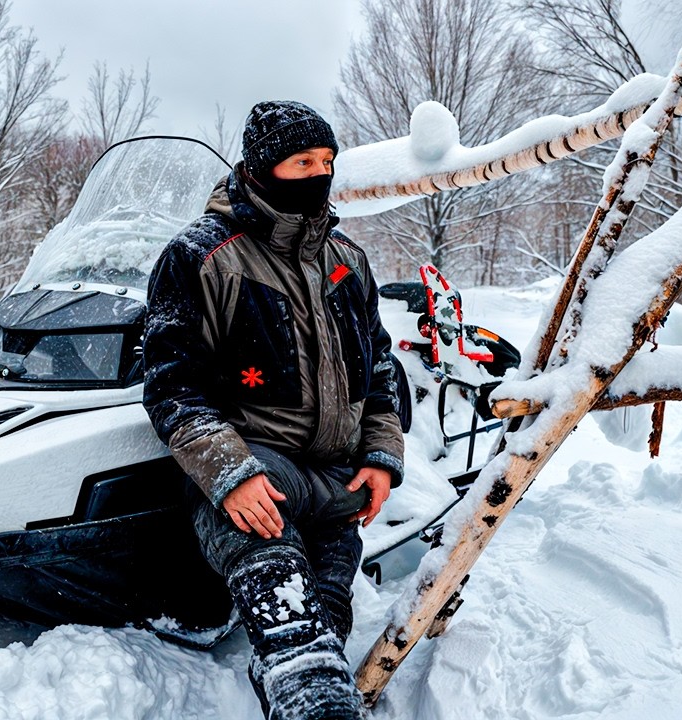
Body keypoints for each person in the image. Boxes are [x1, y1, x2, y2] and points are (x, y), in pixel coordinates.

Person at [143, 101, 405, 719]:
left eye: (327, 161)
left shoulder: (347, 259)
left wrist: (381, 457)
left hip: (339, 482)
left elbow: (381, 368)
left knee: (329, 618)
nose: (319, 174)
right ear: (262, 168)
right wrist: (230, 474)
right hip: (257, 476)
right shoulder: (202, 256)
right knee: (295, 635)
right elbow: (169, 384)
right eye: (302, 162)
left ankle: (301, 686)